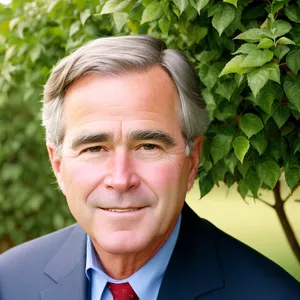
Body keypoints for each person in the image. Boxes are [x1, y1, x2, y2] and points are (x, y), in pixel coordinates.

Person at [0, 35, 299, 300]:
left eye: (148, 146)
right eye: (94, 148)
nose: (120, 179)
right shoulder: (8, 283)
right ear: (58, 165)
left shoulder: (274, 294)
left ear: (191, 161)